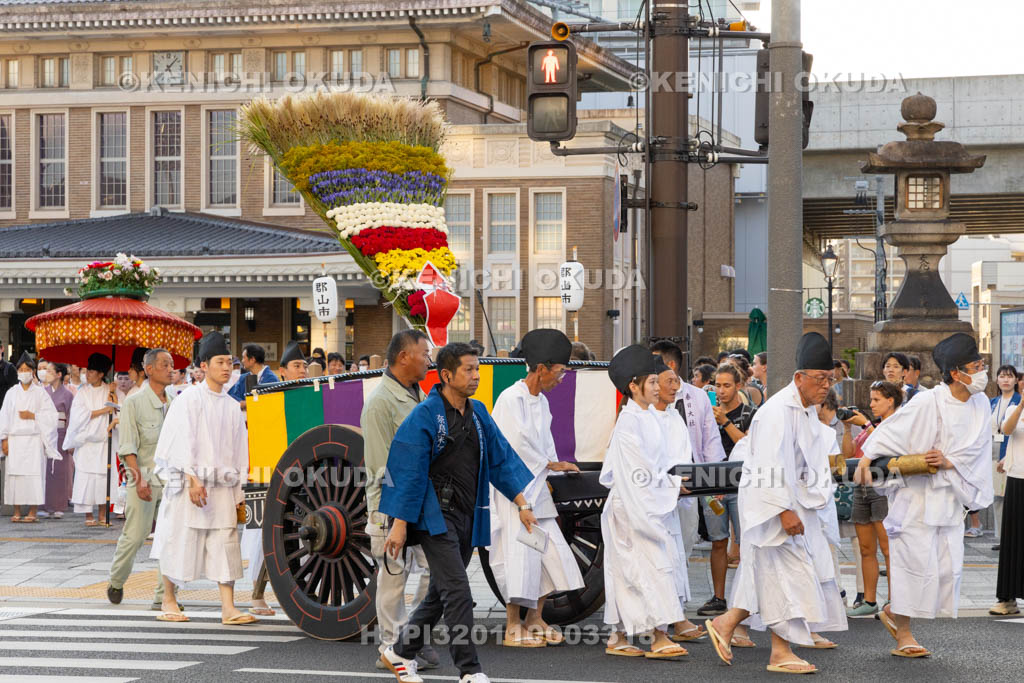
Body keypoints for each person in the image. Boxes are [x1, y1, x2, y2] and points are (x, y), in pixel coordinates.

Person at [378, 342, 535, 683]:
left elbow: (501, 459)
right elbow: (408, 472)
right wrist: (399, 525)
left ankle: (399, 652)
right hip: (433, 516)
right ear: (447, 375)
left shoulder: (478, 414)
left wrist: (522, 503)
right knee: (459, 591)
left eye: (477, 369)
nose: (476, 376)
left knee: (440, 592)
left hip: (467, 514)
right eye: (469, 369)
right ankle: (470, 670)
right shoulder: (423, 416)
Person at [708, 332, 848, 674]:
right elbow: (768, 465)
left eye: (829, 380)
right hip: (772, 507)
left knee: (771, 577)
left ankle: (727, 625)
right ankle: (778, 652)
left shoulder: (804, 410)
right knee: (787, 577)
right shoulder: (776, 411)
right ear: (799, 377)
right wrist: (783, 510)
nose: (825, 387)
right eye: (820, 379)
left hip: (790, 505)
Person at [856, 332, 992, 658]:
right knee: (911, 565)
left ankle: (892, 611)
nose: (983, 370)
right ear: (957, 373)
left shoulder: (981, 403)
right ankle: (903, 631)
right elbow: (892, 430)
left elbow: (976, 451)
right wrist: (866, 456)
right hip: (917, 500)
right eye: (976, 365)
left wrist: (949, 462)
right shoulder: (928, 400)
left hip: (949, 499)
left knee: (945, 570)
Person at [150, 331, 255, 625]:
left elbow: (239, 451)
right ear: (204, 365)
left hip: (222, 486)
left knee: (226, 543)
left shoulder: (233, 406)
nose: (226, 368)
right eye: (220, 362)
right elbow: (178, 441)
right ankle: (169, 600)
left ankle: (228, 608)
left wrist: (239, 489)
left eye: (230, 363)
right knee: (180, 539)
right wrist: (191, 479)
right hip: (191, 484)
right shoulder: (189, 400)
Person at [489, 329, 585, 648]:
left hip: (538, 485)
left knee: (551, 551)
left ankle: (535, 618)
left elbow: (546, 444)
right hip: (513, 487)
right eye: (560, 371)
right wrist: (549, 464)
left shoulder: (541, 401)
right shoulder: (510, 398)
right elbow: (511, 445)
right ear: (541, 368)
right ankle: (512, 625)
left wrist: (553, 469)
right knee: (521, 554)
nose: (562, 378)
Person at [600, 345, 689, 660]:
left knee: (632, 572)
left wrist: (673, 481)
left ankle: (618, 635)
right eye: (650, 382)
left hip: (647, 503)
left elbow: (658, 466)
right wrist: (672, 485)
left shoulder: (649, 416)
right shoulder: (628, 424)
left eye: (657, 381)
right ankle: (659, 636)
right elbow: (637, 475)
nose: (656, 387)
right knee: (648, 569)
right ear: (633, 387)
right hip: (634, 509)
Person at [362, 330, 438, 671]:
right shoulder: (380, 402)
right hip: (391, 505)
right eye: (424, 354)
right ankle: (392, 648)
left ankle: (413, 638)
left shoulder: (417, 394)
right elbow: (380, 467)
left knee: (436, 570)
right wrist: (389, 518)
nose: (429, 360)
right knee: (393, 578)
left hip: (422, 501)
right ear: (404, 356)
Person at [649, 340, 729, 619]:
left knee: (683, 545)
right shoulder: (649, 398)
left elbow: (710, 441)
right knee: (660, 549)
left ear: (670, 365)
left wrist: (714, 482)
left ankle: (675, 609)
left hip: (692, 484)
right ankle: (663, 611)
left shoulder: (696, 397)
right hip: (658, 484)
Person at [107, 349, 175, 610]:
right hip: (143, 477)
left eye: (171, 365)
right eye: (164, 364)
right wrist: (139, 480)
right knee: (136, 535)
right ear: (148, 369)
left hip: (171, 481)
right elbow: (127, 448)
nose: (170, 369)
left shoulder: (174, 401)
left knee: (170, 536)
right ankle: (116, 580)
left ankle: (164, 595)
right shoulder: (133, 403)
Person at [650, 356, 706, 643]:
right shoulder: (645, 418)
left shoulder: (673, 415)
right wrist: (670, 483)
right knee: (661, 562)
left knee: (677, 556)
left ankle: (677, 616)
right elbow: (648, 465)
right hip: (654, 502)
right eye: (669, 381)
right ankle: (663, 624)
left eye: (677, 381)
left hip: (677, 495)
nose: (676, 387)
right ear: (654, 385)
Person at [843, 381, 902, 617]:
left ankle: (894, 600)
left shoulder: (899, 422)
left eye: (876, 399)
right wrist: (848, 428)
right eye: (871, 399)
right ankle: (869, 600)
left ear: (891, 400)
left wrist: (865, 424)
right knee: (866, 548)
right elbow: (848, 454)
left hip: (884, 488)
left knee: (888, 548)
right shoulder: (874, 424)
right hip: (862, 486)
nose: (871, 404)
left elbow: (889, 445)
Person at [706, 364, 757, 598]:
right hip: (712, 482)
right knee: (718, 542)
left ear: (738, 386)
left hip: (740, 484)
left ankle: (744, 597)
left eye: (727, 385)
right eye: (717, 385)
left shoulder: (750, 414)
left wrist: (725, 422)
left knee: (745, 541)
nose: (721, 391)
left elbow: (747, 445)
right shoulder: (708, 413)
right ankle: (718, 597)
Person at [0, 352, 60, 522]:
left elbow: (51, 416)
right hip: (15, 439)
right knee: (15, 475)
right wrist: (4, 439)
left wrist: (33, 415)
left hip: (34, 440)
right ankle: (17, 510)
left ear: (33, 372)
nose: (24, 372)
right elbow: (4, 416)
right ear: (18, 372)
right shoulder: (12, 392)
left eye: (28, 369)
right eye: (22, 369)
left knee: (34, 475)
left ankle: (33, 511)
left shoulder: (40, 393)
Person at [65, 352, 118, 527]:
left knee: (103, 476)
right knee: (86, 477)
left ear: (101, 374)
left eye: (92, 371)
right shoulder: (82, 392)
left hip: (104, 441)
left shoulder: (109, 390)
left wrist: (113, 396)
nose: (87, 374)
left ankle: (102, 512)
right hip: (87, 442)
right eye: (87, 371)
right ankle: (88, 514)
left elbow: (118, 410)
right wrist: (103, 411)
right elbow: (79, 415)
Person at [993, 366, 1024, 615]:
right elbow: (1007, 430)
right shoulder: (1015, 408)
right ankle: (1007, 599)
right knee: (1012, 538)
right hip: (1017, 478)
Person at [990, 365, 1020, 551]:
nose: (1006, 380)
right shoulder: (992, 401)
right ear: (997, 380)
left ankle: (1013, 536)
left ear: (1016, 380)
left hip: (1010, 453)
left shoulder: (1019, 401)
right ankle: (1001, 537)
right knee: (997, 497)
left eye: (1010, 376)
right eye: (1002, 376)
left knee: (1011, 496)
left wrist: (1005, 456)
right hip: (992, 452)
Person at [39, 362, 74, 519]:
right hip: (46, 433)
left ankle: (59, 505)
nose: (46, 373)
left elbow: (70, 418)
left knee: (60, 470)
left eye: (50, 371)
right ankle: (45, 505)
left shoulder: (67, 395)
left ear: (59, 374)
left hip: (61, 433)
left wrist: (70, 438)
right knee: (45, 469)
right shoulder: (43, 392)